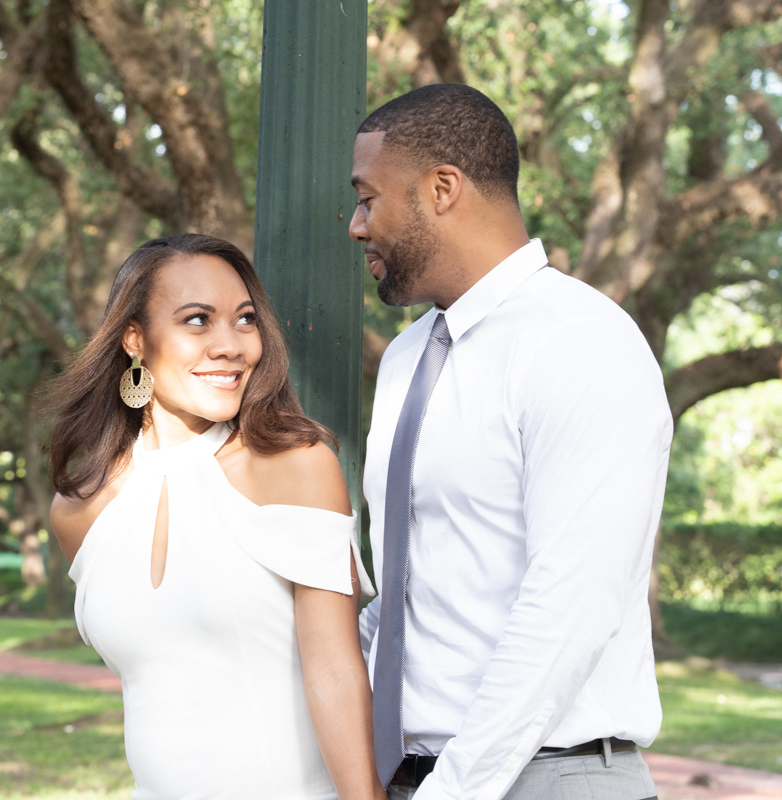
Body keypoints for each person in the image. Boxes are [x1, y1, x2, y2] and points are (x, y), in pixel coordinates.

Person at [350, 83, 671, 800]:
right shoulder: (406, 358)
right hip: (415, 777)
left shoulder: (581, 341)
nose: (356, 226)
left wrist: (453, 791)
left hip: (550, 776)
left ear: (442, 189)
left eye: (368, 199)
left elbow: (569, 608)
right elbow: (411, 598)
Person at [44, 233, 386, 800]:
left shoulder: (296, 466)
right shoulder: (80, 511)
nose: (231, 345)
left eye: (245, 320)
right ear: (135, 339)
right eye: (197, 321)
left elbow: (336, 672)